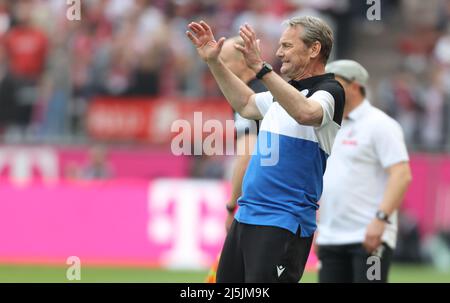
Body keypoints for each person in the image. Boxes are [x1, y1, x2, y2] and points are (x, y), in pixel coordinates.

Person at [186, 16, 345, 282]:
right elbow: (247, 103)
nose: (279, 52)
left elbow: (306, 113)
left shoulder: (330, 90)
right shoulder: (281, 94)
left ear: (314, 49)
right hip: (248, 216)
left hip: (283, 221)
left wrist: (261, 68)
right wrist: (213, 61)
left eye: (287, 46)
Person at [316, 60, 412, 283]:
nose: (327, 90)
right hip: (330, 238)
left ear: (355, 86)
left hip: (369, 237)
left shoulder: (381, 124)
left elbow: (401, 175)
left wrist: (380, 221)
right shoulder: (328, 126)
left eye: (335, 84)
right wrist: (319, 227)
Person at [205, 36, 267, 283]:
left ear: (242, 64)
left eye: (224, 62)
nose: (219, 70)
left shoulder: (249, 98)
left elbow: (247, 152)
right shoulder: (268, 90)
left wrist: (232, 205)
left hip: (262, 202)